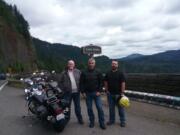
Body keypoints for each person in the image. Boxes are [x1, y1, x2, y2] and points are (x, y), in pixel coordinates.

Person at [80, 58, 106, 130]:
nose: (91, 64)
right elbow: (81, 83)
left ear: (94, 64)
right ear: (88, 63)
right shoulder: (84, 72)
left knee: (100, 108)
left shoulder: (98, 72)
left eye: (92, 63)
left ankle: (102, 122)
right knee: (89, 109)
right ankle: (92, 121)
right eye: (90, 63)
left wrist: (99, 91)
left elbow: (101, 82)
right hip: (87, 94)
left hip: (96, 93)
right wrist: (82, 92)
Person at [59, 60, 84, 124]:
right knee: (67, 107)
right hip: (67, 93)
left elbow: (82, 80)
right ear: (67, 65)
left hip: (76, 93)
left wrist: (82, 89)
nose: (71, 65)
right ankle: (67, 119)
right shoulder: (64, 73)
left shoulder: (78, 71)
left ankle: (80, 119)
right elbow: (60, 82)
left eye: (72, 64)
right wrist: (63, 89)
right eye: (69, 64)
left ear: (74, 65)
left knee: (78, 107)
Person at [104, 60, 126, 127]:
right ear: (111, 65)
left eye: (115, 64)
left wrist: (122, 92)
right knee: (111, 109)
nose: (114, 65)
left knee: (121, 109)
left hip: (119, 94)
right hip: (110, 94)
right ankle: (111, 120)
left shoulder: (120, 73)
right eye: (113, 64)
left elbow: (123, 83)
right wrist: (106, 90)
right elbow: (105, 81)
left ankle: (122, 121)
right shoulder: (108, 73)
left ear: (117, 65)